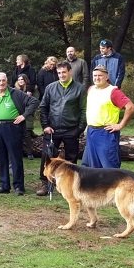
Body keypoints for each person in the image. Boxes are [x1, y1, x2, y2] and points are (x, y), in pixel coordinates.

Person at [37, 62, 86, 196]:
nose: (61, 75)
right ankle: (46, 184)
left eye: (64, 72)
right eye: (59, 73)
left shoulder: (80, 88)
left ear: (70, 72)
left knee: (71, 159)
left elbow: (84, 110)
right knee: (47, 157)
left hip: (71, 129)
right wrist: (45, 125)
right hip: (52, 129)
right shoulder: (50, 88)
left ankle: (69, 185)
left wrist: (80, 129)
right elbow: (43, 107)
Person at [82, 65, 134, 169]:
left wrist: (120, 125)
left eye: (100, 76)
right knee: (92, 167)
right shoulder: (91, 89)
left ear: (107, 77)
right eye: (95, 75)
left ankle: (114, 185)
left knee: (109, 167)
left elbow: (131, 107)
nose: (97, 78)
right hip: (91, 132)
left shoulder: (113, 92)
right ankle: (97, 185)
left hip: (106, 133)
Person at [14, 74, 37, 160]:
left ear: (25, 80)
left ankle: (30, 153)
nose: (20, 81)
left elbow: (34, 102)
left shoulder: (31, 90)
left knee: (27, 133)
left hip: (27, 114)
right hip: (17, 113)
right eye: (19, 79)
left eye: (22, 79)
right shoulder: (14, 90)